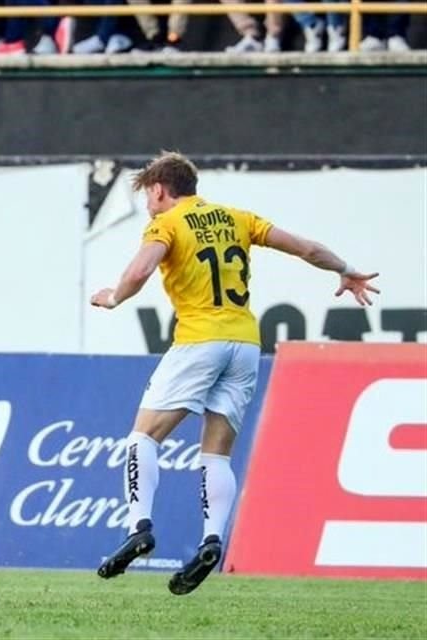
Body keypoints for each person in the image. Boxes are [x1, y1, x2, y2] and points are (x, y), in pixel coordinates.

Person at [89, 151, 379, 595]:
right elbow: (307, 248)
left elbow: (141, 268)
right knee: (216, 453)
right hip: (245, 344)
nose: (148, 204)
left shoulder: (166, 223)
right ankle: (211, 539)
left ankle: (138, 528)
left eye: (148, 195)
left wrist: (113, 298)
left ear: (160, 189)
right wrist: (346, 270)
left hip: (198, 341)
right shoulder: (238, 218)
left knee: (142, 438)